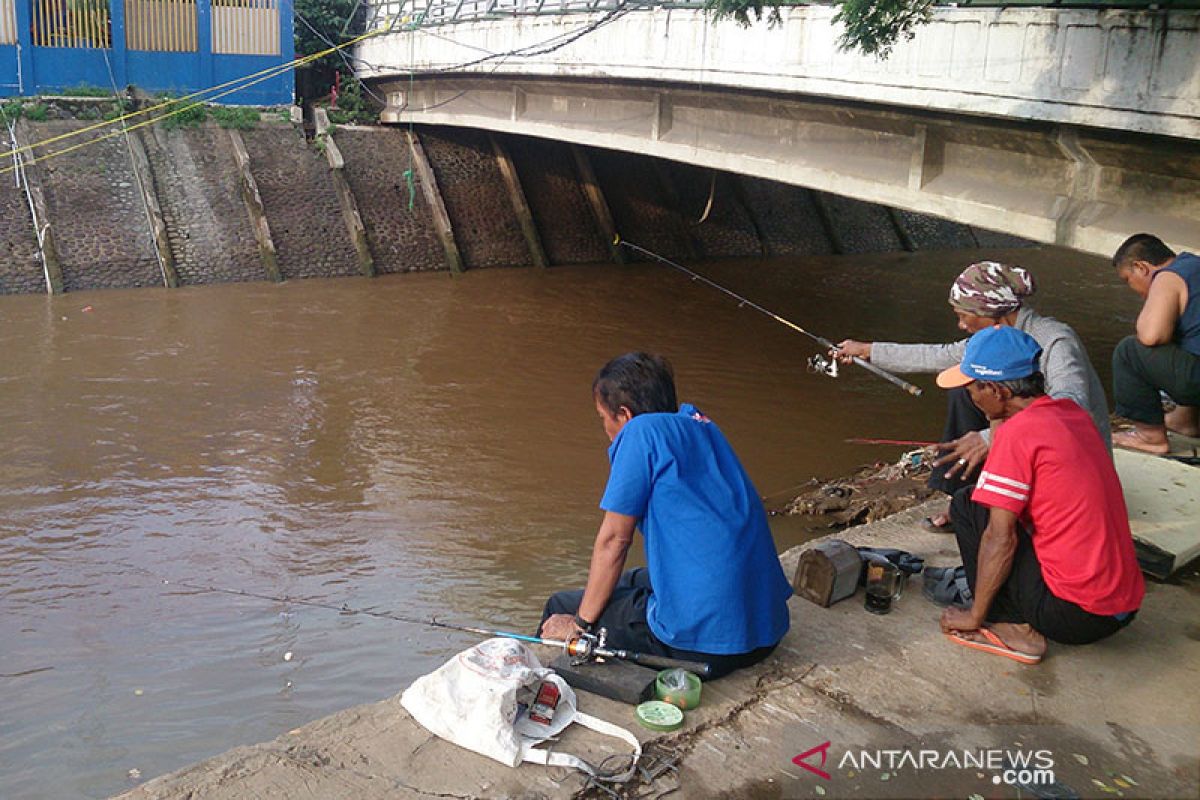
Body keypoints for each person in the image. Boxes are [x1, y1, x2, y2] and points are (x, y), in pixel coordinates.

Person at [538, 352, 793, 680]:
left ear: (625, 415)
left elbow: (615, 540)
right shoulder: (699, 424)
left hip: (705, 648)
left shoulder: (640, 433)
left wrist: (580, 624)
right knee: (631, 579)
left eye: (603, 417)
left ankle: (543, 688)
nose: (605, 428)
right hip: (766, 630)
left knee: (561, 606)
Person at [836, 261, 1110, 530]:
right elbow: (942, 354)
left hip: (1074, 461)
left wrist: (990, 438)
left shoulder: (1056, 341)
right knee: (964, 389)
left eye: (963, 315)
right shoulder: (995, 336)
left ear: (989, 311)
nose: (961, 325)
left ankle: (996, 506)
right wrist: (868, 350)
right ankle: (966, 499)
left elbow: (1071, 408)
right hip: (1031, 438)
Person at [934, 326, 1143, 664]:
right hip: (1123, 605)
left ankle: (1014, 627)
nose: (970, 397)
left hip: (1075, 618)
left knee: (968, 507)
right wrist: (996, 419)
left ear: (996, 390)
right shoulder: (1069, 413)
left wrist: (974, 615)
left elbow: (1000, 539)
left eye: (972, 388)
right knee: (987, 503)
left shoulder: (1021, 434)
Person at [1110, 233, 1200, 454]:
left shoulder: (1168, 276)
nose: (1136, 292)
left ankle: (1149, 437)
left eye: (1128, 280)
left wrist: (1153, 302)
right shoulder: (1194, 266)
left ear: (1141, 267)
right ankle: (1186, 421)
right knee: (1184, 338)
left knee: (1130, 351)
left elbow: (1150, 336)